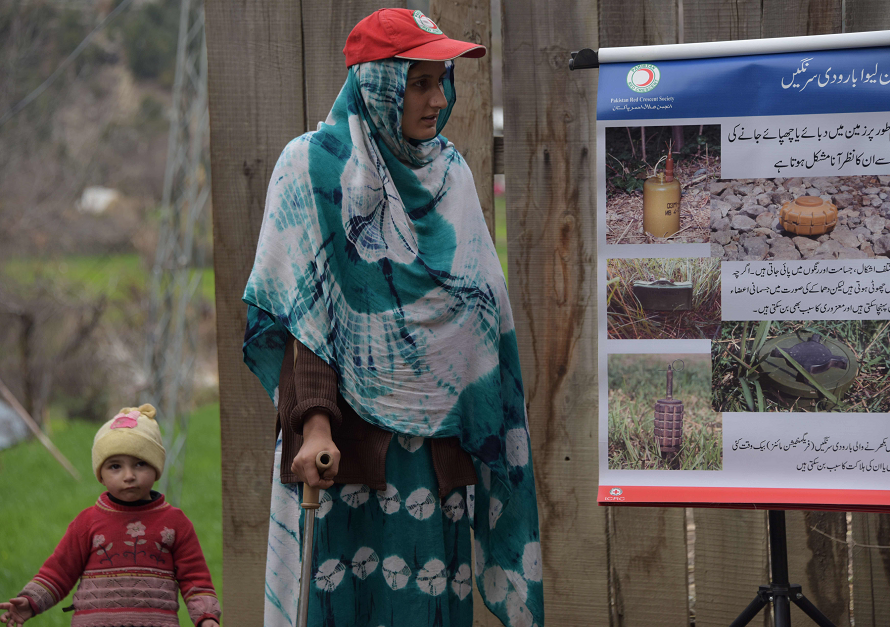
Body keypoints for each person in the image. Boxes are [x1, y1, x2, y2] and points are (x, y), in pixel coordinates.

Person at [242, 8, 544, 627]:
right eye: (419, 83)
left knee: (429, 603)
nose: (438, 100)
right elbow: (302, 317)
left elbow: (481, 310)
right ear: (377, 85)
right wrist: (314, 428)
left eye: (442, 81)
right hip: (347, 456)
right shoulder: (312, 168)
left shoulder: (449, 173)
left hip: (436, 461)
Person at [0, 404, 221, 627]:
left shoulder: (175, 523)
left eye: (140, 463)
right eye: (115, 466)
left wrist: (206, 617)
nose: (129, 475)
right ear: (101, 476)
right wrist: (31, 601)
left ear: (157, 468)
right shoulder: (87, 522)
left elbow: (195, 578)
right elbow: (59, 571)